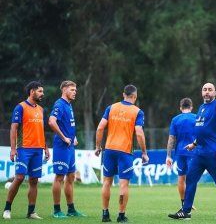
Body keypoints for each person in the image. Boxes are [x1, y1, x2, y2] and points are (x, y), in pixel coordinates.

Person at [168, 83, 216, 220]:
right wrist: (194, 144)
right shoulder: (202, 108)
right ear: (201, 92)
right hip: (199, 152)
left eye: (210, 90)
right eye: (205, 89)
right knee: (190, 179)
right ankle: (186, 211)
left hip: (213, 153)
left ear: (214, 93)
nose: (207, 92)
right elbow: (203, 130)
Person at [95, 84, 149, 223]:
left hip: (109, 150)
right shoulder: (138, 112)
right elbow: (139, 133)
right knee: (123, 184)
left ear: (123, 94)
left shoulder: (111, 107)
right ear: (135, 97)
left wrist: (98, 146)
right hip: (124, 151)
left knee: (107, 182)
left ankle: (105, 214)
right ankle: (121, 215)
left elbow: (100, 127)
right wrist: (144, 152)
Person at [3, 81, 49, 220]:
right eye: (40, 91)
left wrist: (45, 147)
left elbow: (41, 130)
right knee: (19, 178)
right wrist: (13, 149)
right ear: (32, 91)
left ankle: (31, 212)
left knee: (34, 181)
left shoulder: (41, 109)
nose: (42, 94)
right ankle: (7, 209)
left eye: (42, 91)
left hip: (37, 150)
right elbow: (13, 128)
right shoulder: (20, 107)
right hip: (24, 149)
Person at [48, 80, 85, 218]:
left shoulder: (69, 105)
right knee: (59, 177)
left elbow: (67, 124)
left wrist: (73, 136)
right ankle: (57, 210)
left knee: (71, 176)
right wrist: (64, 137)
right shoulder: (59, 104)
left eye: (75, 90)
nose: (75, 92)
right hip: (61, 147)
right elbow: (51, 121)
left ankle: (71, 210)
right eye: (72, 90)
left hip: (70, 147)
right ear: (64, 90)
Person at [166, 98, 196, 208]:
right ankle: (188, 204)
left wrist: (168, 156)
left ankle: (184, 203)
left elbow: (171, 139)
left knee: (181, 178)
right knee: (191, 179)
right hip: (193, 152)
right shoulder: (196, 118)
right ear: (191, 107)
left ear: (180, 108)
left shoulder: (175, 119)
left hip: (180, 153)